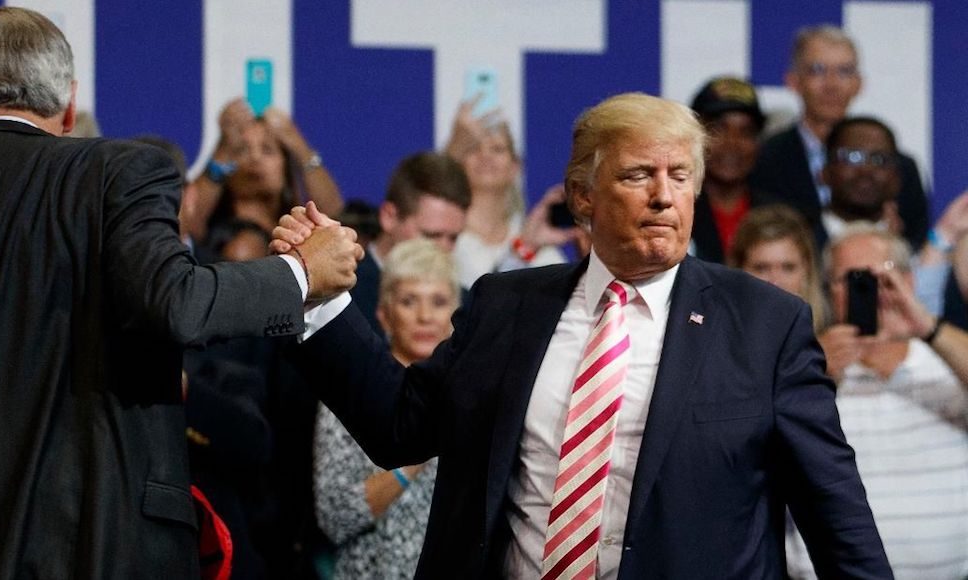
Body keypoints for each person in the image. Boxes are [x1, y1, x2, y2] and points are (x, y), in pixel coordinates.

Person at [0, 7, 360, 579]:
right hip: (85, 551)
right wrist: (299, 273)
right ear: (68, 104)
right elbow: (176, 304)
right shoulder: (118, 172)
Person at [272, 92, 889, 578]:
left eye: (680, 176)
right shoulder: (507, 306)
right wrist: (318, 299)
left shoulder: (763, 324)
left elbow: (834, 511)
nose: (663, 197)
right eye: (639, 175)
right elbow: (398, 425)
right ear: (582, 197)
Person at [787, 226, 968, 579]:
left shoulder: (947, 361)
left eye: (883, 276)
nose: (872, 291)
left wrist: (927, 325)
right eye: (853, 279)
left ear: (909, 282)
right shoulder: (808, 369)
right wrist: (811, 374)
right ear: (830, 292)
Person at [313, 238, 457, 579]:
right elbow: (334, 518)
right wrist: (415, 452)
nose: (425, 316)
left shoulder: (472, 395)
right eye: (409, 301)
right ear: (384, 314)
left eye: (438, 302)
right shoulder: (351, 391)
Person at [749, 25, 929, 251]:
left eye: (844, 71)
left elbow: (917, 251)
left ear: (859, 84)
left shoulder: (900, 167)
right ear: (793, 81)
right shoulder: (764, 160)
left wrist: (893, 244)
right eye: (817, 70)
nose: (832, 85)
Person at [444, 103, 576, 288]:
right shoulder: (442, 239)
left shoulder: (539, 243)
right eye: (473, 148)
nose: (485, 156)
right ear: (458, 162)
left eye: (497, 149)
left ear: (516, 167)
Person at [349, 151, 470, 337]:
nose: (443, 249)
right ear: (389, 217)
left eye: (453, 238)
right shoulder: (344, 296)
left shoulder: (467, 305)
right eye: (431, 235)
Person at [189, 99, 343, 242]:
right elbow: (187, 222)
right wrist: (222, 151)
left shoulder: (301, 235)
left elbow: (335, 221)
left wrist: (298, 145)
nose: (255, 158)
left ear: (285, 169)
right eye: (241, 150)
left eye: (267, 150)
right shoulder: (208, 236)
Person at [688, 77, 777, 264]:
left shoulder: (778, 214)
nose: (732, 143)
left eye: (746, 132)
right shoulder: (673, 211)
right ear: (694, 135)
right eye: (718, 129)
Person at [729, 204, 828, 329]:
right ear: (738, 269)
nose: (775, 282)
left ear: (807, 270)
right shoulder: (716, 339)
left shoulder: (829, 338)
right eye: (761, 268)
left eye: (788, 268)